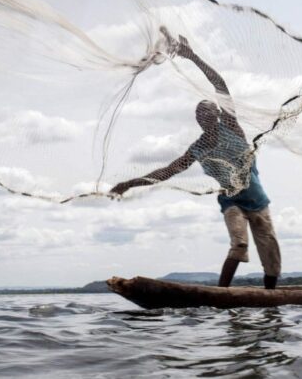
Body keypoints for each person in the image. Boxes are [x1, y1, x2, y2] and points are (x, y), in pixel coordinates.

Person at [110, 28, 281, 290]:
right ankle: (221, 293)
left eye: (210, 111)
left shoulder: (232, 127)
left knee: (271, 257)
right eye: (201, 114)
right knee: (240, 245)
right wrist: (129, 183)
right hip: (232, 202)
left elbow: (219, 84)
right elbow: (166, 172)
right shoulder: (199, 147)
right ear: (198, 121)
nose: (206, 116)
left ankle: (271, 298)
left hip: (259, 203)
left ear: (218, 115)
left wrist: (192, 57)